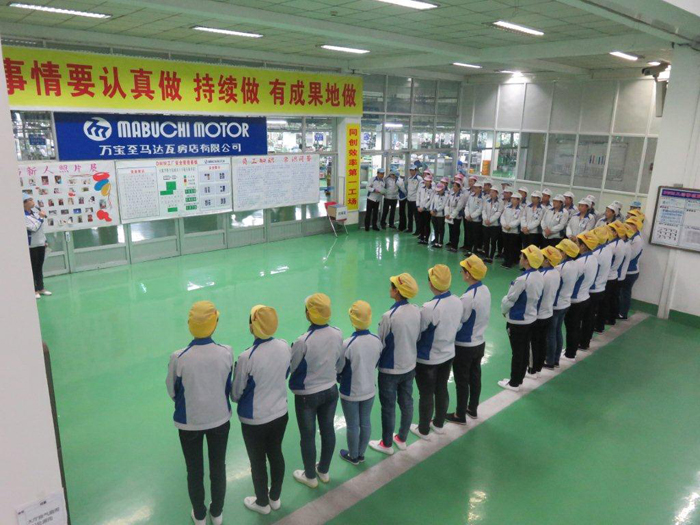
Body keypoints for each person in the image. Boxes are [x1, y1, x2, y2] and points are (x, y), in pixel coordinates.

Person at [166, 302, 232, 525]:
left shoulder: (179, 357)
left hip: (189, 423)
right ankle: (217, 512)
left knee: (194, 470)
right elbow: (227, 385)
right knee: (218, 467)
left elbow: (172, 390)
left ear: (190, 325)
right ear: (215, 324)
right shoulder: (226, 352)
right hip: (220, 420)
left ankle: (200, 515)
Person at [233, 306, 291, 515]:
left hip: (254, 420)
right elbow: (286, 372)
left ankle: (262, 502)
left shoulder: (246, 357)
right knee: (276, 453)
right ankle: (275, 497)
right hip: (280, 414)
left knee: (257, 462)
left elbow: (236, 393)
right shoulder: (284, 346)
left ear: (252, 326)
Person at [289, 294, 344, 488]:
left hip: (307, 396)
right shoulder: (337, 333)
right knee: (328, 430)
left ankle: (310, 476)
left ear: (308, 314)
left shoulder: (302, 341)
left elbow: (293, 367)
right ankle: (324, 470)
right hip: (331, 390)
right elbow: (340, 361)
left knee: (308, 435)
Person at [370, 273, 421, 456]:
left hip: (390, 370)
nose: (390, 288)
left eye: (392, 286)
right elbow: (418, 336)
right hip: (410, 365)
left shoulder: (389, 316)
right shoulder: (416, 310)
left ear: (397, 291)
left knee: (388, 407)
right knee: (407, 402)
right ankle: (402, 438)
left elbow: (380, 343)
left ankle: (386, 444)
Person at [411, 265, 463, 439]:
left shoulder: (430, 308)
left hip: (428, 359)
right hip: (448, 354)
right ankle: (439, 423)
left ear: (431, 283)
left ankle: (423, 429)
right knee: (441, 388)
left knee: (426, 394)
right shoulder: (457, 301)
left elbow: (419, 332)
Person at [337, 301, 382, 465]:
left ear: (352, 319)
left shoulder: (347, 344)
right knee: (365, 422)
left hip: (350, 392)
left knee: (352, 425)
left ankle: (353, 455)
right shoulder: (377, 340)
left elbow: (339, 368)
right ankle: (361, 453)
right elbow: (376, 362)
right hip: (369, 389)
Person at [447, 255, 490, 424]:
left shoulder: (468, 297)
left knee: (462, 380)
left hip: (465, 345)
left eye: (463, 271)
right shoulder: (485, 290)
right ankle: (472, 408)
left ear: (468, 274)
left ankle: (460, 414)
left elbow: (460, 320)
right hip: (479, 342)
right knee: (475, 376)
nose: (461, 273)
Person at [498, 246, 544, 391]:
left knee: (517, 352)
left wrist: (504, 311)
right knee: (524, 350)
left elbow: (510, 299)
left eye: (522, 256)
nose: (519, 258)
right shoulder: (539, 275)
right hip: (531, 318)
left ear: (527, 261)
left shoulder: (522, 280)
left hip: (518, 321)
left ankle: (514, 383)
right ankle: (519, 379)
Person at [544, 239, 580, 369]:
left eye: (559, 250)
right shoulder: (575, 265)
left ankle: (549, 361)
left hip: (556, 304)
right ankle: (556, 359)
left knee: (551, 333)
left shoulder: (560, 268)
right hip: (566, 302)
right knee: (558, 331)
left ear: (564, 253)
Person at [563, 232, 599, 361]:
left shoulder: (580, 262)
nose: (576, 245)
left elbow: (572, 279)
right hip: (585, 296)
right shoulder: (593, 258)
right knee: (579, 325)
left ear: (583, 246)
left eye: (577, 243)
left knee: (572, 327)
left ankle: (570, 353)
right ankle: (580, 345)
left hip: (575, 299)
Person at [529, 246, 561, 378]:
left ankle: (532, 369)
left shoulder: (542, 276)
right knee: (543, 341)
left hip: (539, 314)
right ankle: (539, 365)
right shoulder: (556, 273)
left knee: (534, 343)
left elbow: (538, 296)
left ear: (547, 260)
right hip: (548, 311)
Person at [24, 193, 51, 299]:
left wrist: (45, 240)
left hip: (41, 243)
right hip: (32, 245)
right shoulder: (23, 216)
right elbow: (33, 228)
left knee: (39, 267)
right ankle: (34, 290)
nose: (32, 201)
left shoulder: (35, 214)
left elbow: (40, 229)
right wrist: (40, 218)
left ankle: (41, 288)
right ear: (24, 203)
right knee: (33, 268)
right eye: (30, 200)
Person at [588, 226, 613, 340]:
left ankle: (584, 340)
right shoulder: (608, 248)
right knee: (596, 311)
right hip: (602, 286)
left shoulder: (596, 254)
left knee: (588, 316)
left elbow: (593, 273)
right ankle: (596, 329)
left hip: (594, 288)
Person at [619, 217, 644, 319]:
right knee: (621, 292)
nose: (627, 225)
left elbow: (630, 256)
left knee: (625, 293)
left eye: (631, 224)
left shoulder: (637, 240)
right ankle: (618, 311)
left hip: (630, 271)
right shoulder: (630, 236)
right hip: (624, 270)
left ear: (636, 227)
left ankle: (623, 313)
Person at [605, 221, 628, 325]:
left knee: (606, 300)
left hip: (608, 275)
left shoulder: (612, 246)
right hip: (614, 275)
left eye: (610, 230)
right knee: (613, 299)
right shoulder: (622, 243)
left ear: (615, 233)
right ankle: (612, 319)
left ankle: (606, 319)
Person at [500, 193, 523, 269]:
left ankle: (510, 262)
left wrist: (510, 226)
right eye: (512, 198)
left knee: (512, 247)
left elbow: (519, 220)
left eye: (514, 199)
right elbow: (502, 216)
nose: (512, 200)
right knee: (506, 246)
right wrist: (504, 225)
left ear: (518, 200)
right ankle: (505, 260)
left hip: (513, 231)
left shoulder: (521, 209)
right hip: (505, 230)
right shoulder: (507, 207)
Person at [482, 187, 503, 263]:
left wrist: (490, 220)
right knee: (486, 241)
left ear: (497, 193)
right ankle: (486, 255)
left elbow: (498, 212)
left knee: (493, 241)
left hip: (494, 225)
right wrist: (485, 219)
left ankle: (491, 257)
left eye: (493, 192)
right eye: (491, 192)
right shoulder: (486, 200)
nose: (491, 194)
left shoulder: (500, 202)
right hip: (485, 224)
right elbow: (483, 210)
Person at [463, 181, 484, 255]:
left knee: (476, 236)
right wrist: (467, 215)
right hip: (469, 219)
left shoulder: (482, 198)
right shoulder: (471, 196)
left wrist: (472, 216)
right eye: (474, 188)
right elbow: (467, 206)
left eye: (476, 188)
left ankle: (474, 251)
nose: (474, 189)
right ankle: (469, 250)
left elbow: (480, 210)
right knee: (469, 235)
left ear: (480, 189)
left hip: (476, 220)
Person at [445, 180, 465, 253]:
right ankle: (452, 244)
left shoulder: (461, 196)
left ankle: (455, 247)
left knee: (455, 231)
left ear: (459, 188)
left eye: (455, 186)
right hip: (449, 215)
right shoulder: (451, 194)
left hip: (456, 217)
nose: (454, 188)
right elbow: (447, 204)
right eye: (453, 186)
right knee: (451, 230)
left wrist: (451, 216)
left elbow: (458, 208)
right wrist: (447, 214)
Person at [416, 173, 434, 245]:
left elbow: (431, 200)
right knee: (421, 224)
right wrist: (418, 206)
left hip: (426, 210)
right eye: (425, 181)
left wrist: (424, 208)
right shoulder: (421, 188)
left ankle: (426, 239)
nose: (426, 182)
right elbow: (417, 197)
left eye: (428, 181)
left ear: (430, 182)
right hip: (420, 209)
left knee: (427, 224)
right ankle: (422, 238)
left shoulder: (433, 190)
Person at [429, 182, 448, 248]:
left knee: (441, 229)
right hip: (434, 215)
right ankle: (436, 241)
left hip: (440, 215)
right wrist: (431, 210)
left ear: (443, 190)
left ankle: (441, 242)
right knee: (435, 229)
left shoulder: (446, 196)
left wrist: (435, 210)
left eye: (439, 190)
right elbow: (432, 203)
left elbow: (443, 206)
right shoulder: (435, 195)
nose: (438, 191)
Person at [405, 167, 423, 234]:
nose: (411, 172)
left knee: (417, 216)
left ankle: (418, 230)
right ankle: (410, 228)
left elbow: (420, 190)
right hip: (409, 199)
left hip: (415, 200)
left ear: (416, 171)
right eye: (410, 170)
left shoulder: (419, 179)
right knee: (409, 215)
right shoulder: (409, 178)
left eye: (412, 170)